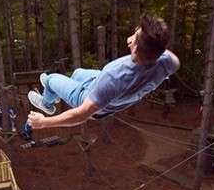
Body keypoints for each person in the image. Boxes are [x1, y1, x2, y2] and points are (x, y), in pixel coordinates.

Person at [27, 15, 179, 131]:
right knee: (77, 73)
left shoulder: (114, 77)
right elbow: (171, 58)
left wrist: (43, 122)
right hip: (102, 86)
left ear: (136, 49)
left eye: (134, 40)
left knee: (51, 80)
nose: (128, 40)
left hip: (87, 98)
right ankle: (58, 93)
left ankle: (47, 103)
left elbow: (81, 115)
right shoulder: (167, 62)